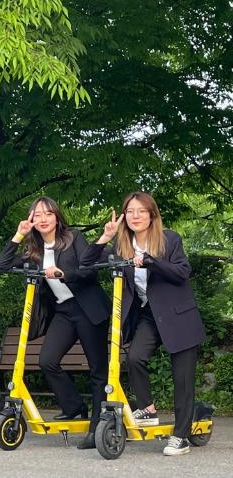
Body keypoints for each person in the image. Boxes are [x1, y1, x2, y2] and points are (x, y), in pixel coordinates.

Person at [81, 191, 206, 456]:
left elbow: (182, 272)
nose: (135, 216)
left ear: (152, 214)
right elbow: (86, 263)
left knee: (182, 379)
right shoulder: (122, 245)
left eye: (141, 211)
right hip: (148, 314)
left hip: (178, 316)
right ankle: (147, 408)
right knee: (135, 357)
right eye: (130, 211)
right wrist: (105, 237)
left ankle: (181, 436)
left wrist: (151, 262)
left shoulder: (170, 239)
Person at [0, 197, 109, 449]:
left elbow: (90, 270)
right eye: (37, 215)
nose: (43, 219)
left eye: (48, 214)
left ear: (57, 217)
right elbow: (2, 265)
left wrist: (63, 274)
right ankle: (74, 406)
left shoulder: (73, 238)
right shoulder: (34, 250)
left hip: (88, 309)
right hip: (64, 311)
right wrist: (18, 235)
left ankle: (97, 429)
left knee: (98, 370)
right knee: (47, 360)